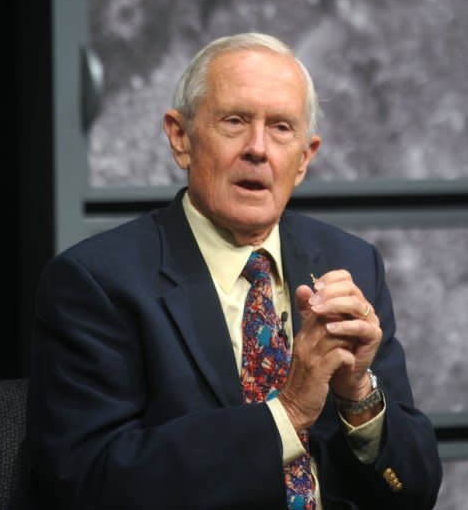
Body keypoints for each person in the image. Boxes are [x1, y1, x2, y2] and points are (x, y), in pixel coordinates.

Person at [27, 32, 442, 509]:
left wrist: (358, 396)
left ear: (305, 159)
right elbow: (89, 484)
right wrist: (286, 412)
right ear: (180, 138)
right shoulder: (97, 282)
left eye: (282, 128)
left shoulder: (351, 264)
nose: (258, 149)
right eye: (234, 121)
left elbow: (414, 491)